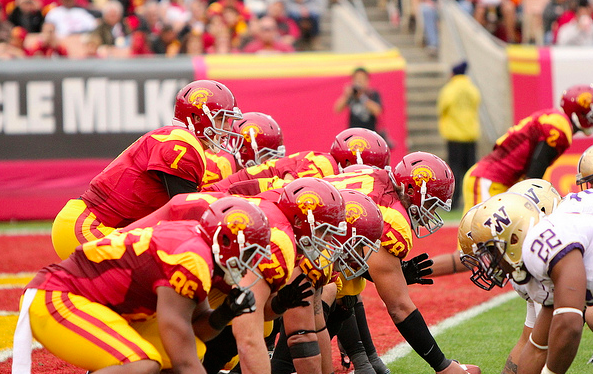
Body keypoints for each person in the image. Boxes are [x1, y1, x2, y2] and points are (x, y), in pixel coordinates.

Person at [11, 196, 272, 374]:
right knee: (142, 364)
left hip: (85, 300)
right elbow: (184, 361)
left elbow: (195, 330)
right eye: (250, 253)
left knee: (192, 349)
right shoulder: (190, 258)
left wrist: (225, 312)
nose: (252, 263)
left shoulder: (200, 252)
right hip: (57, 295)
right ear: (225, 241)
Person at [50, 79, 243, 260]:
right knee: (168, 266)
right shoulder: (182, 144)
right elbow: (188, 212)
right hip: (88, 226)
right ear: (197, 117)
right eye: (221, 119)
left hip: (93, 224)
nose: (227, 126)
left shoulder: (183, 141)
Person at [430, 83, 593, 277]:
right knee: (472, 255)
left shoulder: (554, 118)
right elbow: (533, 177)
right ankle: (410, 273)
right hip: (489, 180)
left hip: (497, 180)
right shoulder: (560, 128)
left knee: (505, 249)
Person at [469, 191, 593, 374]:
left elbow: (570, 322)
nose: (490, 262)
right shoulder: (536, 264)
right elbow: (537, 347)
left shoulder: (537, 243)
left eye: (491, 252)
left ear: (514, 239)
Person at [458, 180, 560, 374]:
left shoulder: (545, 257)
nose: (488, 265)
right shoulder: (527, 262)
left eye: (490, 253)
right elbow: (529, 340)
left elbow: (546, 348)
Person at [203, 127, 391, 194]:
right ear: (351, 163)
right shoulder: (324, 167)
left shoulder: (325, 164)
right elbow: (288, 197)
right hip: (225, 195)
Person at [437, 61, 481, 210]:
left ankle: (454, 203)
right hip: (471, 134)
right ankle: (474, 200)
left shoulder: (449, 89)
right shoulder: (472, 88)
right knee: (471, 170)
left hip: (454, 135)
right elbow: (476, 103)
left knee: (454, 170)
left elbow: (442, 107)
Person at [334, 67, 383, 132]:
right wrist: (346, 95)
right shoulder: (352, 95)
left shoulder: (372, 94)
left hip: (370, 132)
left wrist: (361, 97)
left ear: (367, 81)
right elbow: (337, 109)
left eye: (361, 79)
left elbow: (377, 111)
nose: (359, 81)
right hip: (353, 132)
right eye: (357, 79)